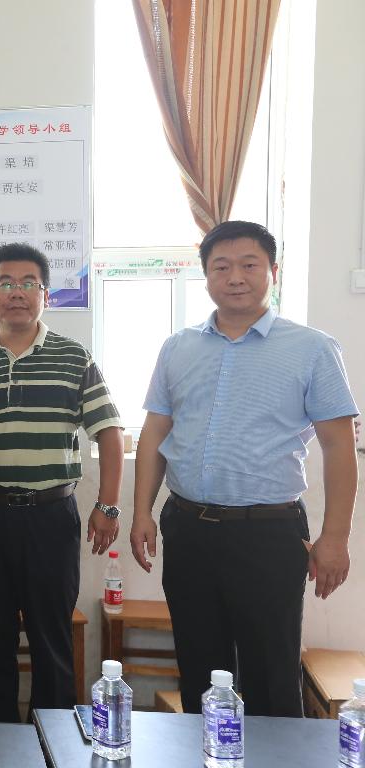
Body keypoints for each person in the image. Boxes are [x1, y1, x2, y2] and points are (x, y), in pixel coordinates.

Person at [129, 220, 359, 717]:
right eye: (221, 266)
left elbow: (339, 445)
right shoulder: (178, 347)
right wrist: (141, 512)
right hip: (188, 527)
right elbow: (155, 433)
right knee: (198, 666)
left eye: (249, 264)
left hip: (268, 533)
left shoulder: (312, 348)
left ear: (273, 270)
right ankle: (207, 750)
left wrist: (335, 537)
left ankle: (274, 752)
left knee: (270, 674)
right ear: (206, 275)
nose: (235, 277)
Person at [0, 242, 124, 722]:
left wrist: (108, 506)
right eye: (4, 283)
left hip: (52, 516)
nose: (16, 292)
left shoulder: (73, 356)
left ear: (46, 295)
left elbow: (108, 433)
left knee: (52, 637)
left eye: (29, 283)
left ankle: (52, 742)